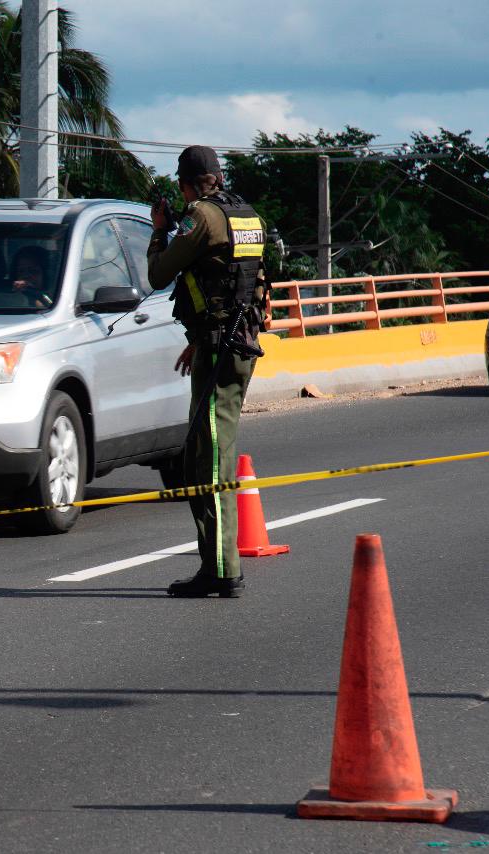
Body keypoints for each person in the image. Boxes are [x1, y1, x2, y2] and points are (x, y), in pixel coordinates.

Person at [146, 145, 268, 599]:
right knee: (203, 451)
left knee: (212, 456)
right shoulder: (245, 215)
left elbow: (159, 274)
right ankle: (213, 565)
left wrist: (160, 231)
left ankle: (223, 570)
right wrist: (198, 339)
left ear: (188, 183)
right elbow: (238, 285)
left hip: (221, 349)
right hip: (232, 342)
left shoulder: (202, 216)